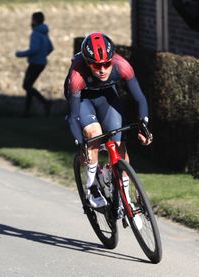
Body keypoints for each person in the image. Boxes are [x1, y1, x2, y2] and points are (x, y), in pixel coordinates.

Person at [64, 33, 152, 209]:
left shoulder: (123, 66)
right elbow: (73, 118)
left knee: (119, 144)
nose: (102, 69)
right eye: (97, 65)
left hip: (105, 95)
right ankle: (92, 188)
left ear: (113, 59)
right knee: (94, 134)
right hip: (83, 99)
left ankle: (126, 199)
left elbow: (140, 99)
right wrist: (81, 145)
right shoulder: (77, 76)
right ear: (88, 63)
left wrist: (144, 127)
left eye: (106, 64)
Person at [16, 11, 53, 116]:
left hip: (35, 63)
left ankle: (46, 103)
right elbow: (50, 48)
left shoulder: (36, 33)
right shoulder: (44, 33)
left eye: (32, 19)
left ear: (35, 20)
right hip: (40, 63)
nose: (31, 21)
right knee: (29, 86)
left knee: (26, 85)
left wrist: (20, 54)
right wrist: (43, 55)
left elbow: (34, 49)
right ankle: (27, 112)